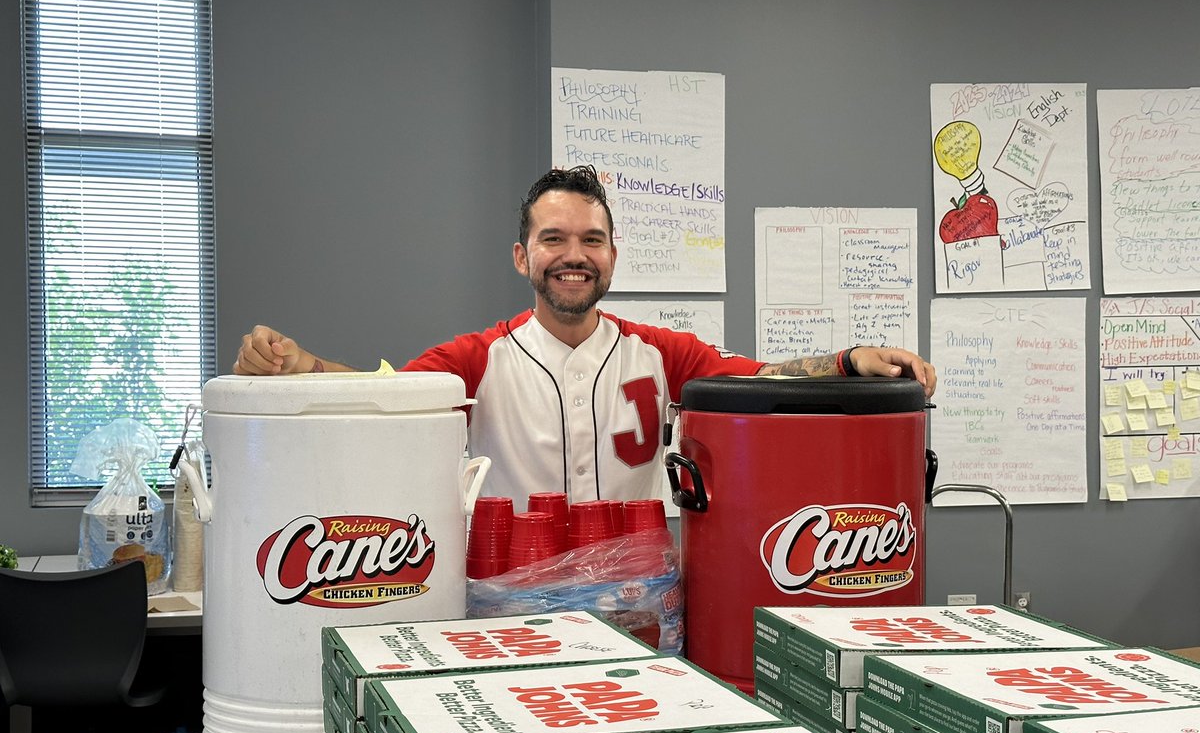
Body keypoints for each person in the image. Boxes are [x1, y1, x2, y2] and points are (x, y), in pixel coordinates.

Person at [235, 165, 936, 506]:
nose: (575, 254)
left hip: (637, 604)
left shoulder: (660, 352)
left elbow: (757, 378)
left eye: (591, 239)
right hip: (508, 607)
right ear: (522, 257)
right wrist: (300, 366)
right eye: (554, 239)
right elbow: (387, 398)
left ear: (612, 254)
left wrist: (849, 359)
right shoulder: (478, 359)